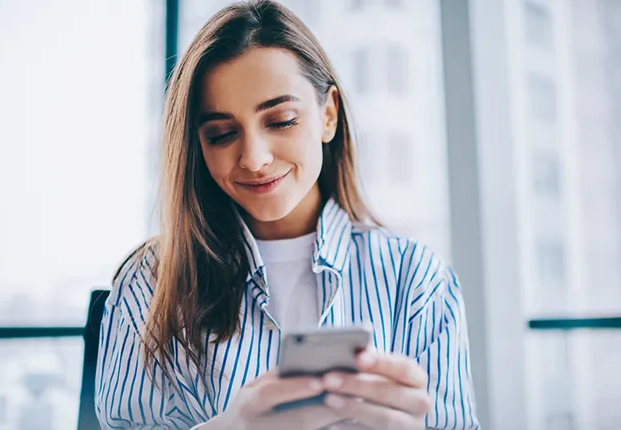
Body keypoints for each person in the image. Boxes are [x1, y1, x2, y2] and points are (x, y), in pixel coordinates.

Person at [95, 1, 479, 429]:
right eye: (222, 134)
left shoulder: (418, 281)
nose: (255, 159)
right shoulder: (149, 287)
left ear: (328, 115)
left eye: (281, 120)